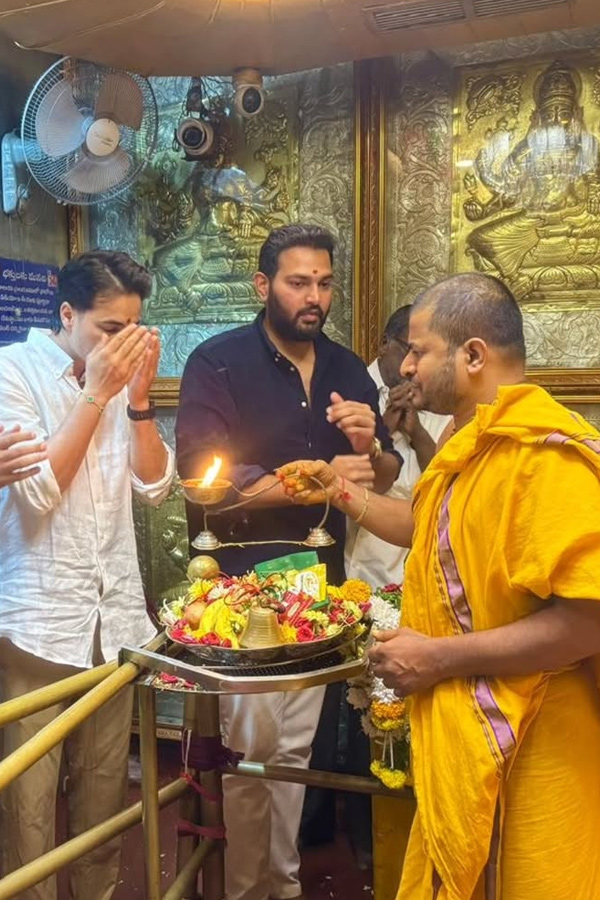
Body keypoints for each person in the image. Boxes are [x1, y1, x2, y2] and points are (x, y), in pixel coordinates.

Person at [279, 271, 600, 900]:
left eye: (419, 351)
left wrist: (436, 658)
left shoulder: (544, 456)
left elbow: (586, 621)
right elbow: (425, 528)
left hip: (533, 739)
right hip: (473, 727)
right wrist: (339, 490)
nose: (405, 366)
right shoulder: (468, 440)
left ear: (473, 355)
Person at [176, 223, 400, 900]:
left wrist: (371, 443)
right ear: (263, 285)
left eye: (324, 283)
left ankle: (287, 886)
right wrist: (321, 475)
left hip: (319, 590)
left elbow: (383, 477)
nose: (314, 297)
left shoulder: (346, 367)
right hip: (243, 593)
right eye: (299, 282)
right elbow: (207, 484)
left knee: (296, 756)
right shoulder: (217, 363)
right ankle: (250, 890)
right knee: (249, 761)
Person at [0, 250, 174, 900]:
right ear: (67, 313)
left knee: (105, 800)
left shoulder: (120, 381)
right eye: (109, 329)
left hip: (114, 625)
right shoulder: (12, 370)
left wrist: (134, 402)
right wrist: (96, 392)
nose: (122, 344)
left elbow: (156, 487)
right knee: (30, 809)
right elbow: (40, 492)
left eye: (133, 328)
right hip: (38, 626)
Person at [345, 305, 451, 587]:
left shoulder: (440, 400)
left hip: (413, 566)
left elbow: (447, 483)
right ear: (383, 344)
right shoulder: (350, 389)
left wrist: (416, 432)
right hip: (349, 558)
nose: (411, 365)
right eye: (409, 350)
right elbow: (337, 473)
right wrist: (384, 427)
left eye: (424, 354)